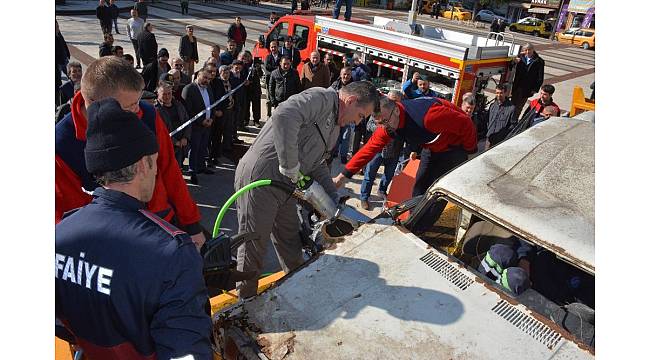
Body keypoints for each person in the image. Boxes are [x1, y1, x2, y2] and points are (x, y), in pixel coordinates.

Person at [55, 97, 212, 359]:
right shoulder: (172, 253)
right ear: (143, 164)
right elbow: (186, 351)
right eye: (155, 161)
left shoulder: (59, 234)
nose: (155, 172)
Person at [234, 81, 381, 298]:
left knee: (291, 244)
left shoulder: (335, 127)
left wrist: (334, 197)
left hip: (284, 187)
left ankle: (297, 294)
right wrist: (289, 164)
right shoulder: (321, 99)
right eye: (360, 115)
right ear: (350, 101)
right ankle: (244, 305)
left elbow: (316, 164)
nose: (357, 122)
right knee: (253, 247)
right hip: (261, 179)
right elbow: (284, 114)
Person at [55, 56, 206, 249]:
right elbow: (72, 219)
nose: (138, 111)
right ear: (95, 106)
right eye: (129, 106)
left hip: (161, 225)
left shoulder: (148, 115)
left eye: (138, 101)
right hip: (113, 244)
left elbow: (169, 170)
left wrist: (192, 225)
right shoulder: (62, 146)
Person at [333, 95, 477, 203]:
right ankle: (415, 219)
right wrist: (342, 177)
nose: (383, 127)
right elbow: (368, 149)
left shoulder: (430, 117)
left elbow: (466, 123)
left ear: (396, 110)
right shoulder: (388, 123)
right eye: (379, 123)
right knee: (419, 186)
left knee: (439, 191)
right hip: (431, 146)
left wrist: (470, 152)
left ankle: (424, 227)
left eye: (384, 121)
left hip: (454, 149)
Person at [358, 90, 404, 210]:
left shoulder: (403, 114)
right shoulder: (379, 109)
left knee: (388, 175)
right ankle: (364, 197)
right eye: (390, 99)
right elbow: (369, 125)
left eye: (394, 100)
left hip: (394, 150)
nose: (390, 102)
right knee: (370, 174)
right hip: (378, 149)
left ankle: (382, 190)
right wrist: (381, 128)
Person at [182, 67, 217, 184]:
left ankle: (201, 166)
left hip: (208, 124)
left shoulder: (208, 88)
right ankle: (192, 170)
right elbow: (188, 110)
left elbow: (212, 104)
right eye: (204, 78)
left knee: (203, 146)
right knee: (194, 148)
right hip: (195, 126)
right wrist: (201, 121)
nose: (207, 80)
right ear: (198, 76)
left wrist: (211, 118)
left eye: (208, 78)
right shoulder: (189, 89)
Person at [155, 83, 191, 168]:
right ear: (158, 95)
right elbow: (160, 131)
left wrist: (185, 137)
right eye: (164, 94)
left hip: (182, 145)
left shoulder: (179, 105)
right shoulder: (156, 110)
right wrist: (175, 142)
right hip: (167, 147)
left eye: (169, 93)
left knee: (181, 166)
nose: (167, 97)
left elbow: (187, 122)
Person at [511, 43, 545, 119]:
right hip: (516, 85)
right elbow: (510, 67)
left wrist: (535, 89)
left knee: (519, 106)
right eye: (525, 50)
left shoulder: (539, 61)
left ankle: (514, 120)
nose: (527, 52)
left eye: (529, 50)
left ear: (533, 50)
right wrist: (514, 62)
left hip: (527, 88)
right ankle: (509, 119)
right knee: (512, 104)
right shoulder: (520, 57)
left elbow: (540, 77)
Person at [330, 66, 355, 162]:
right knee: (335, 134)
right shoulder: (335, 84)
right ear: (340, 75)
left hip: (348, 115)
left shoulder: (354, 86)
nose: (346, 76)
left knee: (346, 136)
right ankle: (334, 152)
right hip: (336, 114)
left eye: (348, 74)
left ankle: (343, 156)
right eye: (344, 74)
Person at [485, 84, 516, 149]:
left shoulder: (511, 108)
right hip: (489, 138)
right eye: (497, 93)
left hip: (500, 142)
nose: (498, 95)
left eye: (501, 93)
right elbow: (487, 120)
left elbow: (513, 125)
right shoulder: (492, 106)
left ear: (505, 93)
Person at [241, 51, 263, 128]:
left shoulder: (255, 64)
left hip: (255, 88)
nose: (246, 58)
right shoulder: (241, 65)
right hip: (246, 89)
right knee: (246, 105)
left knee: (256, 106)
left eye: (247, 56)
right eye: (244, 57)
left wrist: (258, 68)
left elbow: (261, 75)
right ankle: (246, 120)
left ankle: (256, 121)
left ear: (251, 57)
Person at [264, 40, 282, 117]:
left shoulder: (282, 57)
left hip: (279, 82)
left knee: (277, 99)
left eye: (275, 47)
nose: (273, 48)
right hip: (269, 81)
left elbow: (282, 68)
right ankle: (269, 115)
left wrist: (274, 69)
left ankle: (277, 115)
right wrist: (277, 69)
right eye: (272, 47)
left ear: (278, 47)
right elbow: (267, 67)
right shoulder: (268, 57)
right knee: (268, 99)